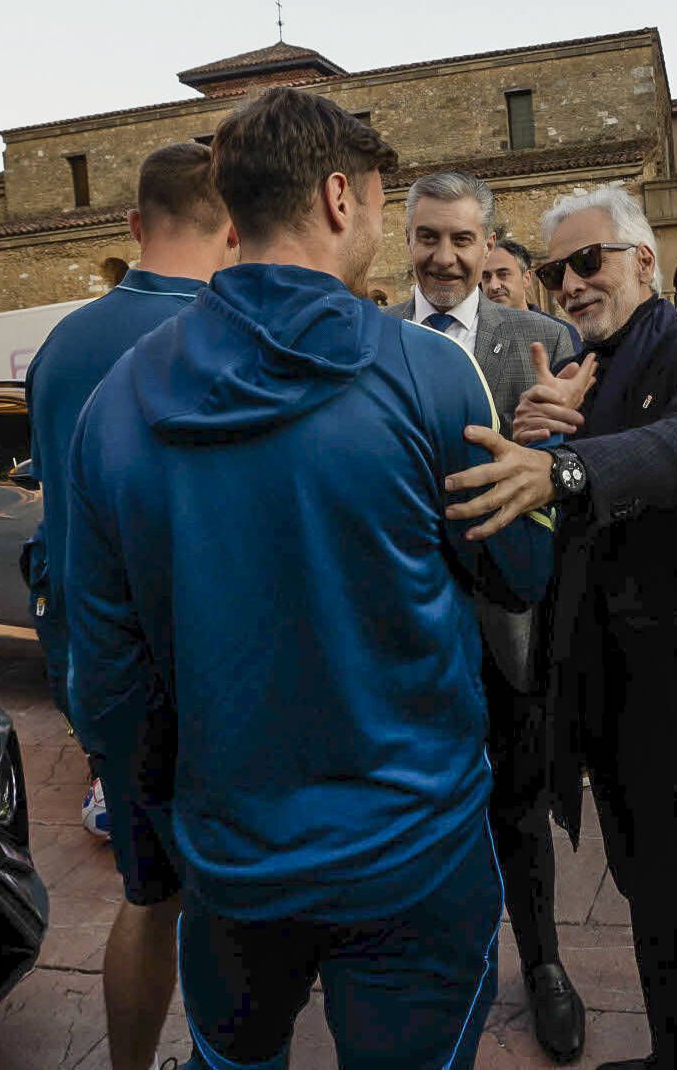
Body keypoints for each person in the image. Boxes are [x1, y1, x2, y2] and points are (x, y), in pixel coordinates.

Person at [64, 88, 553, 1070]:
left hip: (231, 862)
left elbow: (106, 681)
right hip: (413, 851)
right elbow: (516, 571)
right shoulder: (428, 373)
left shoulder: (113, 405)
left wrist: (166, 847)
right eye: (377, 202)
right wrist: (540, 477)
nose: (377, 224)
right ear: (338, 197)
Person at [443, 184, 677, 1070]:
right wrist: (542, 429)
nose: (569, 283)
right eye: (554, 271)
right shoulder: (584, 373)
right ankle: (674, 1054)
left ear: (643, 259)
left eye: (586, 261)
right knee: (650, 900)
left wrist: (562, 468)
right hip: (611, 702)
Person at [23, 142, 236, 1070]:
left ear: (134, 224)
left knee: (146, 899)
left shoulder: (61, 345)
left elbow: (56, 501)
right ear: (236, 226)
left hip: (99, 666)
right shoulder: (225, 334)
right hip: (207, 668)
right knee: (232, 902)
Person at [388, 170, 588, 1064]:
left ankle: (544, 963)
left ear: (488, 246)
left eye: (462, 239)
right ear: (407, 240)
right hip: (405, 638)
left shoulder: (544, 342)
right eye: (428, 237)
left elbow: (581, 487)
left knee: (520, 808)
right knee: (422, 815)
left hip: (513, 633)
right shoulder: (375, 345)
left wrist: (562, 444)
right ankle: (432, 972)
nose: (445, 256)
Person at [486, 236, 584, 352]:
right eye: (486, 277)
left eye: (503, 275)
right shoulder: (474, 335)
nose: (493, 285)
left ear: (526, 278)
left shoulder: (559, 334)